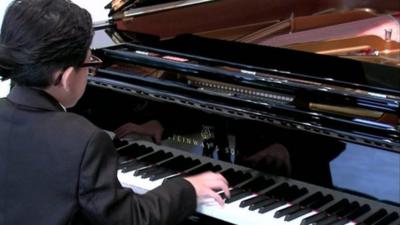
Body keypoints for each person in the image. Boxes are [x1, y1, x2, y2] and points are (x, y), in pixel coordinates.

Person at [0, 1, 229, 225]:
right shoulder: (83, 140)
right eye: (90, 61)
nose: (91, 69)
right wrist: (186, 188)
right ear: (67, 77)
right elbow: (131, 218)